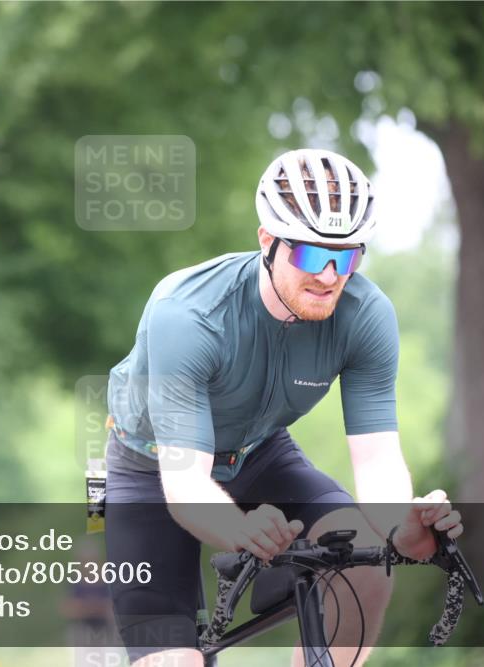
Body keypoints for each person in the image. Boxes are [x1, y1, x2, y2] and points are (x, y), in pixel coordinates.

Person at [104, 148, 464, 667]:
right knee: (175, 661)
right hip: (151, 465)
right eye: (313, 256)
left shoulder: (366, 317)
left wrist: (400, 525)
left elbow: (378, 460)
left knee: (366, 561)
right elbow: (184, 484)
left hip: (259, 453)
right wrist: (239, 531)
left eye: (348, 257)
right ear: (267, 241)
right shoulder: (187, 315)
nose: (330, 276)